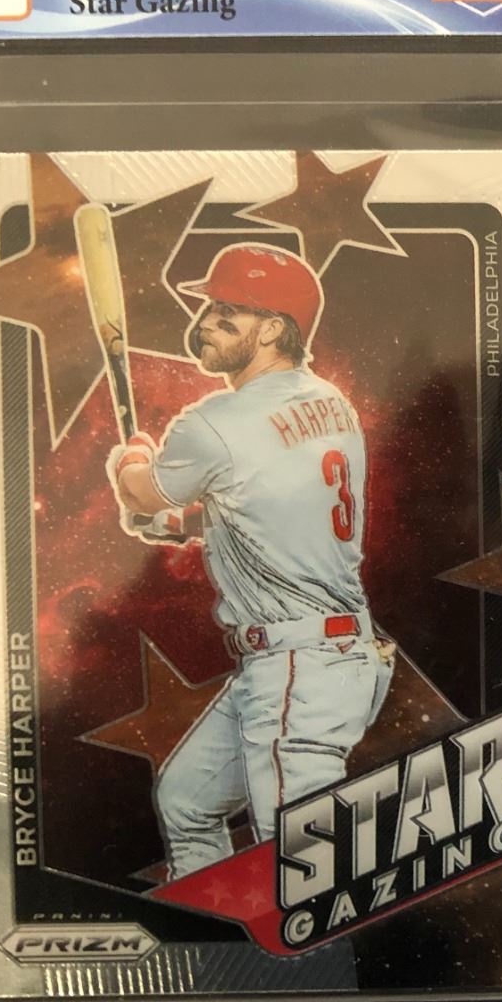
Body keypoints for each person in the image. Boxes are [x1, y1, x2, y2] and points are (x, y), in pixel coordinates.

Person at [107, 243, 392, 877]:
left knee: (306, 873)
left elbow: (143, 492)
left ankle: (311, 946)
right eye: (209, 307)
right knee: (187, 801)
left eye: (227, 311)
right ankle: (219, 932)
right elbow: (271, 503)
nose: (205, 322)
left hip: (297, 667)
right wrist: (184, 522)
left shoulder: (215, 421)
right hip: (334, 658)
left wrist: (132, 458)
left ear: (271, 330)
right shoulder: (331, 402)